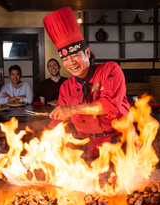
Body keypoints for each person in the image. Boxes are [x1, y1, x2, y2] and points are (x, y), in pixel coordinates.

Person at [43, 7, 130, 161]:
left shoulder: (110, 70)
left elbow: (109, 105)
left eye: (74, 56)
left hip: (119, 142)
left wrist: (72, 109)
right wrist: (43, 143)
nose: (70, 63)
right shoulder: (66, 86)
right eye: (65, 59)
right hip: (88, 146)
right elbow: (58, 118)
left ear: (87, 53)